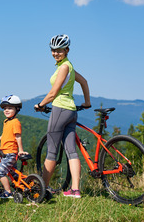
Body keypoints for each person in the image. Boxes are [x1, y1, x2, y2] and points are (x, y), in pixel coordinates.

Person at [34, 34, 91, 198]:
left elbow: (53, 93)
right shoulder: (69, 66)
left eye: (59, 50)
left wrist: (41, 105)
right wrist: (87, 103)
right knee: (71, 151)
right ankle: (75, 190)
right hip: (71, 111)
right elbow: (84, 82)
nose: (55, 53)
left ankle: (42, 189)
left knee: (52, 151)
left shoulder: (64, 67)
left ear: (66, 50)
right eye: (53, 50)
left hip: (60, 110)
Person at [0, 95, 28, 199]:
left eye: (10, 108)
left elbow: (18, 136)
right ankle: (22, 188)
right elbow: (6, 133)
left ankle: (8, 192)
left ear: (17, 109)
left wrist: (20, 150)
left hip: (10, 153)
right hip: (6, 153)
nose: (6, 110)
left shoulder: (15, 122)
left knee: (0, 172)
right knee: (13, 174)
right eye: (5, 108)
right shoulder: (7, 121)